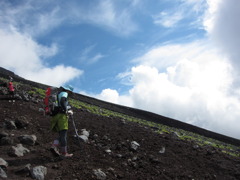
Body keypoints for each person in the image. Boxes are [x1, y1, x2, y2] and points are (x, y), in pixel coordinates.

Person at [50, 85, 74, 158]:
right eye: (70, 91)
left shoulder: (58, 94)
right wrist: (66, 111)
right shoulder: (64, 93)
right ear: (68, 90)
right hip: (62, 116)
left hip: (56, 116)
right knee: (63, 134)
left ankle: (54, 146)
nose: (69, 93)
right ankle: (64, 153)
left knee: (61, 134)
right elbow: (62, 100)